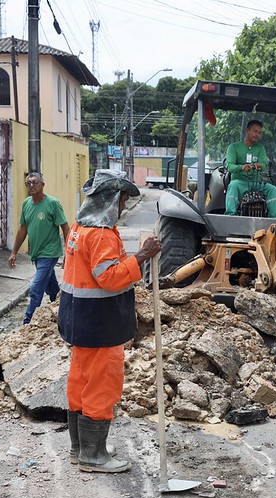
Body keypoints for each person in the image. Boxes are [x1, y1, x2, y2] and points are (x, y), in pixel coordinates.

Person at [58, 169, 162, 473]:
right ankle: (93, 455)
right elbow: (109, 278)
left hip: (78, 320)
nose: (124, 207)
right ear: (111, 200)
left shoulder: (79, 228)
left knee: (79, 381)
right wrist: (141, 256)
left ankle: (81, 447)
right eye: (123, 200)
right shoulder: (101, 234)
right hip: (100, 323)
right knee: (102, 385)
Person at [8, 171, 70, 325]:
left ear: (42, 184)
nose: (31, 185)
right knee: (51, 286)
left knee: (36, 287)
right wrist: (14, 252)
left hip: (50, 253)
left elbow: (65, 226)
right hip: (36, 253)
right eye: (28, 183)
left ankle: (28, 322)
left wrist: (68, 250)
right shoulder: (26, 203)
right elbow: (23, 229)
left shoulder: (52, 203)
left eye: (35, 182)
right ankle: (63, 309)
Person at [224, 119, 276, 218]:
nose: (257, 135)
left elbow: (264, 165)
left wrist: (259, 166)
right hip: (239, 182)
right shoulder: (233, 147)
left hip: (256, 183)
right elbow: (229, 166)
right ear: (247, 131)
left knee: (273, 189)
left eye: (259, 133)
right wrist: (241, 167)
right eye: (255, 131)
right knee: (233, 185)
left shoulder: (260, 148)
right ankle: (230, 217)